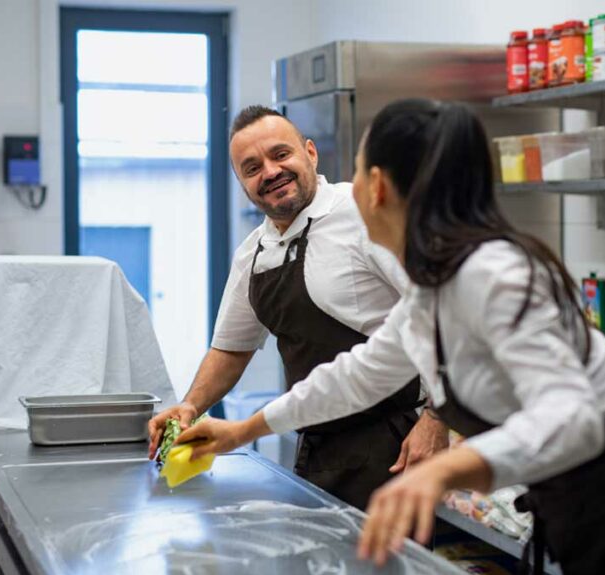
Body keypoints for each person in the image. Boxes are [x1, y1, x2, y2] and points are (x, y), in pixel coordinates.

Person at [175, 99, 605, 575]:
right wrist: (244, 429)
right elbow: (355, 375)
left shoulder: (493, 271)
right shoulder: (435, 289)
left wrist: (442, 470)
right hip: (594, 520)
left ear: (377, 187)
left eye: (355, 171)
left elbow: (573, 419)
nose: (346, 187)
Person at [147, 105, 448, 511]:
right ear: (242, 184)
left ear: (310, 153)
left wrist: (437, 418)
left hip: (393, 443)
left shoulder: (363, 214)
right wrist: (191, 405)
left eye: (280, 154)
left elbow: (441, 310)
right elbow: (231, 349)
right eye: (251, 168)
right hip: (316, 445)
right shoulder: (253, 253)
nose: (270, 172)